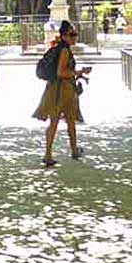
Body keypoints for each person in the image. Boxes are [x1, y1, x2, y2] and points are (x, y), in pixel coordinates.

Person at [32, 20, 91, 165]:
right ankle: (51, 153)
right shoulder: (64, 50)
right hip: (61, 90)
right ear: (64, 36)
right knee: (59, 121)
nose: (74, 37)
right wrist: (79, 71)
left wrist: (78, 75)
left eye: (75, 34)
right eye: (72, 34)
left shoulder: (61, 48)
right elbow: (61, 72)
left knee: (65, 121)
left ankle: (69, 150)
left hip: (61, 89)